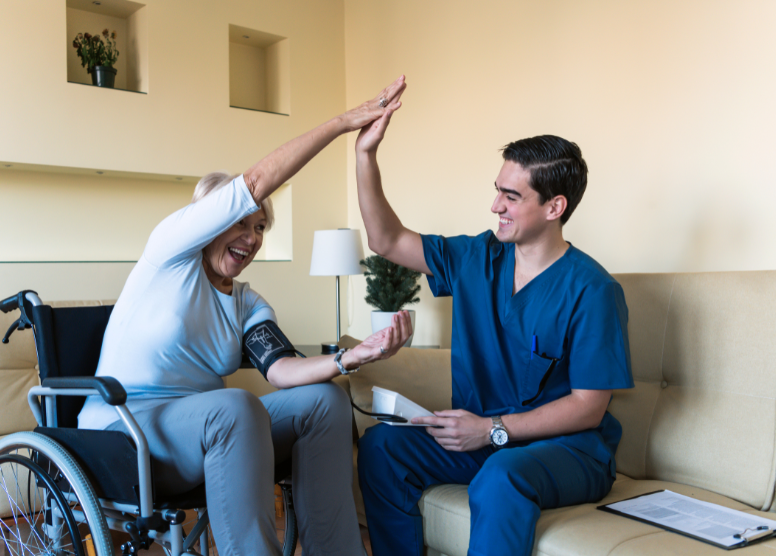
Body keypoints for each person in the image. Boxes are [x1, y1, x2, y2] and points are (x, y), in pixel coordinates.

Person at [77, 77, 412, 556]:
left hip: (207, 429)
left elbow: (280, 370)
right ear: (208, 222)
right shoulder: (169, 256)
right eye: (239, 221)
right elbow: (256, 181)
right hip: (127, 432)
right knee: (234, 407)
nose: (252, 237)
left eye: (259, 227)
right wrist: (342, 124)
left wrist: (350, 357)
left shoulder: (246, 301)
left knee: (324, 402)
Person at [353, 77, 634, 556]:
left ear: (554, 207)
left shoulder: (593, 289)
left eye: (511, 196)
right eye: (496, 190)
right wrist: (365, 156)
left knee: (502, 477)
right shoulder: (475, 258)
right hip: (481, 438)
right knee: (381, 449)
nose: (494, 206)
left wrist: (491, 429)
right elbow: (386, 240)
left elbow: (589, 406)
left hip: (569, 452)